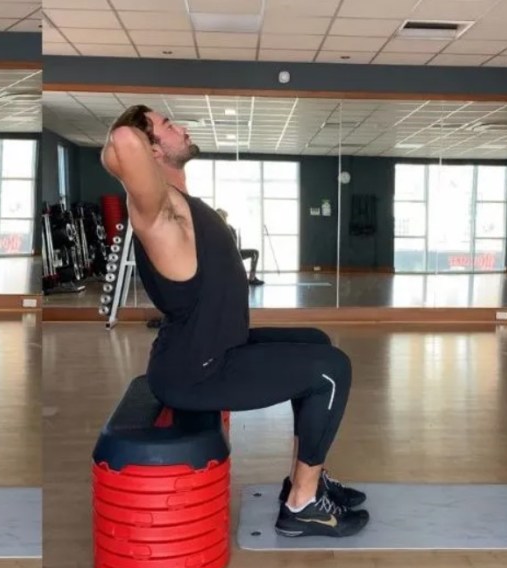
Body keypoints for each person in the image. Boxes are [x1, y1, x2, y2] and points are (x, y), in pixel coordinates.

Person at [101, 105, 369, 538]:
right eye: (168, 125)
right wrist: (135, 138)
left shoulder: (179, 202)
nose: (182, 126)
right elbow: (123, 143)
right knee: (332, 369)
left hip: (216, 347)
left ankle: (308, 480)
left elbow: (131, 143)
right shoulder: (156, 212)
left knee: (316, 342)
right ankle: (302, 507)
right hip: (197, 371)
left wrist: (151, 138)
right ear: (152, 148)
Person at [217, 209, 263, 286]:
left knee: (255, 253)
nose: (223, 218)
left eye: (224, 216)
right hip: (227, 255)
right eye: (221, 216)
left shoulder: (230, 227)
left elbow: (235, 242)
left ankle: (252, 278)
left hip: (236, 252)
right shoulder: (217, 229)